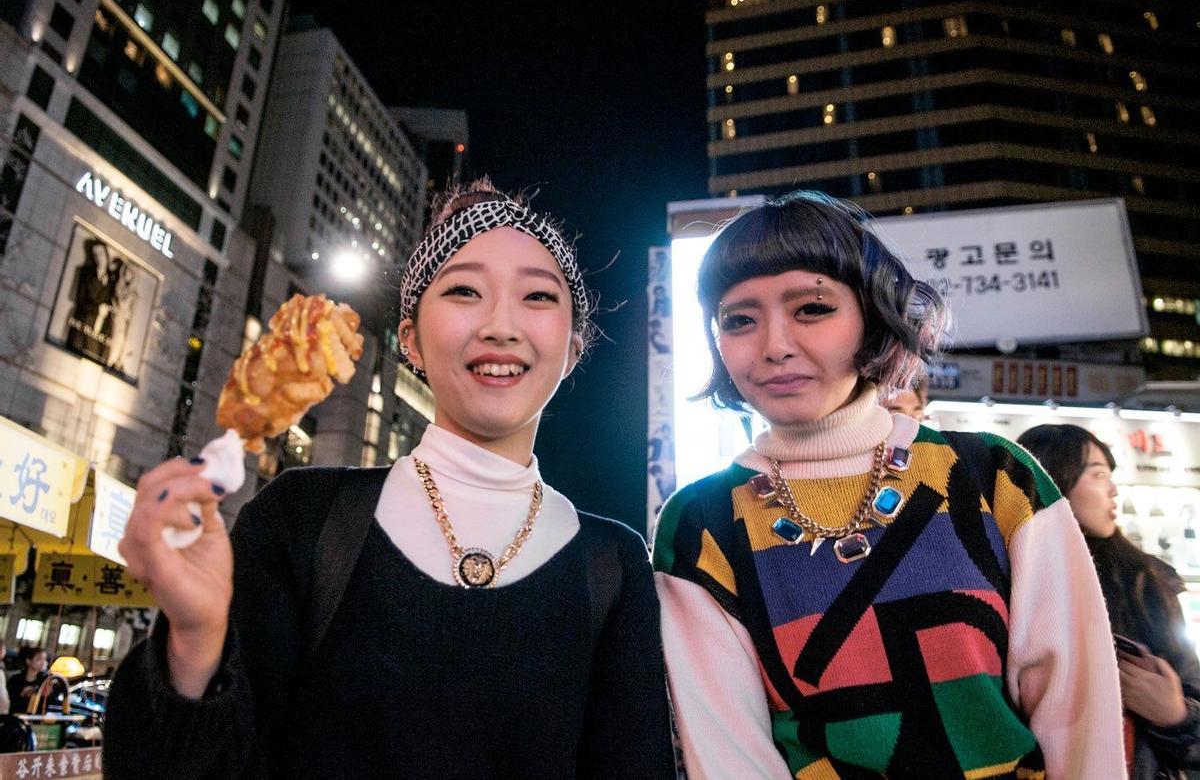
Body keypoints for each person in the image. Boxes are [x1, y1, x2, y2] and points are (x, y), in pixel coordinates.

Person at [104, 180, 675, 778]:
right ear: (412, 342)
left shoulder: (612, 563)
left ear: (572, 348)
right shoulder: (302, 518)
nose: (501, 325)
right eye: (463, 291)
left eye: (537, 296)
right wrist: (196, 640)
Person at [652, 191, 1123, 778]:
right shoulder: (700, 524)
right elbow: (729, 757)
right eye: (739, 319)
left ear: (872, 317)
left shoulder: (997, 477)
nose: (774, 345)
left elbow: (1079, 719)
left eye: (812, 309)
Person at [1019, 423, 1200, 779]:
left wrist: (1175, 715)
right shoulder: (1007, 577)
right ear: (1052, 477)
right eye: (1098, 474)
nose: (1114, 491)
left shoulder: (1146, 582)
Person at [6, 646, 47, 716]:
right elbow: (9, 701)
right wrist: (22, 694)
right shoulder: (15, 679)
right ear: (28, 661)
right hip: (16, 717)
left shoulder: (45, 680)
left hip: (37, 719)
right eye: (39, 659)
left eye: (44, 659)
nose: (43, 662)